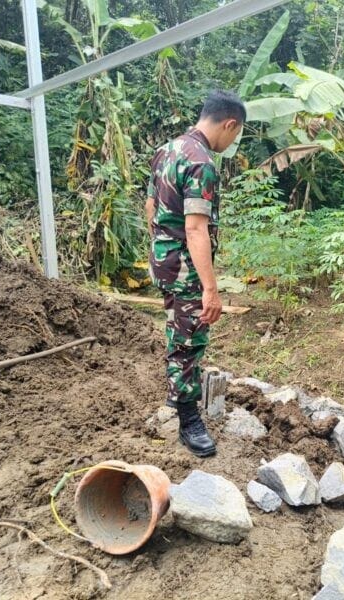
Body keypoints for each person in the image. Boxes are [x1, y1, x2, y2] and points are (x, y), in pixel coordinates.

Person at [146, 90, 245, 458]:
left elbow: (151, 206)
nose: (231, 142)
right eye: (235, 135)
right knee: (189, 342)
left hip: (164, 261)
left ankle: (176, 395)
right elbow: (195, 229)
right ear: (228, 123)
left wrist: (159, 248)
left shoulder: (166, 150)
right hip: (186, 268)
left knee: (176, 328)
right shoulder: (202, 162)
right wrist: (210, 289)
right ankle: (189, 419)